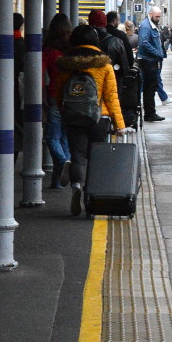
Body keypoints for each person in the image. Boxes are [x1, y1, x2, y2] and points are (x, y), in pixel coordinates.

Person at [54, 25, 127, 216]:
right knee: (96, 158)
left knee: (77, 155)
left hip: (74, 117)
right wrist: (119, 124)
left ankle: (76, 185)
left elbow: (58, 93)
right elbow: (112, 96)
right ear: (95, 42)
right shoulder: (104, 66)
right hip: (99, 119)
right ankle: (91, 199)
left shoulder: (65, 65)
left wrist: (64, 112)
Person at [0, 12, 25, 157]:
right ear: (21, 26)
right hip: (18, 96)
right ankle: (9, 162)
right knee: (17, 133)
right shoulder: (24, 46)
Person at [42, 13, 72, 189]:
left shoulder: (49, 50)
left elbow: (40, 73)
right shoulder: (70, 49)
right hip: (70, 97)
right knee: (64, 137)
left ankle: (62, 162)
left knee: (52, 136)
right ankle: (57, 181)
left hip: (54, 94)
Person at [88, 9, 130, 95]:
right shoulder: (116, 41)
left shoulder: (84, 40)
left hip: (90, 82)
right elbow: (125, 66)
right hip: (113, 80)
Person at [137, 6, 166, 122]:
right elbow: (143, 43)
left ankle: (150, 113)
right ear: (150, 15)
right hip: (148, 61)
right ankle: (150, 113)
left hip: (151, 60)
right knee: (150, 88)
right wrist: (157, 53)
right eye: (157, 16)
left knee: (151, 87)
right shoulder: (145, 26)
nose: (158, 19)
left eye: (159, 16)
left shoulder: (150, 25)